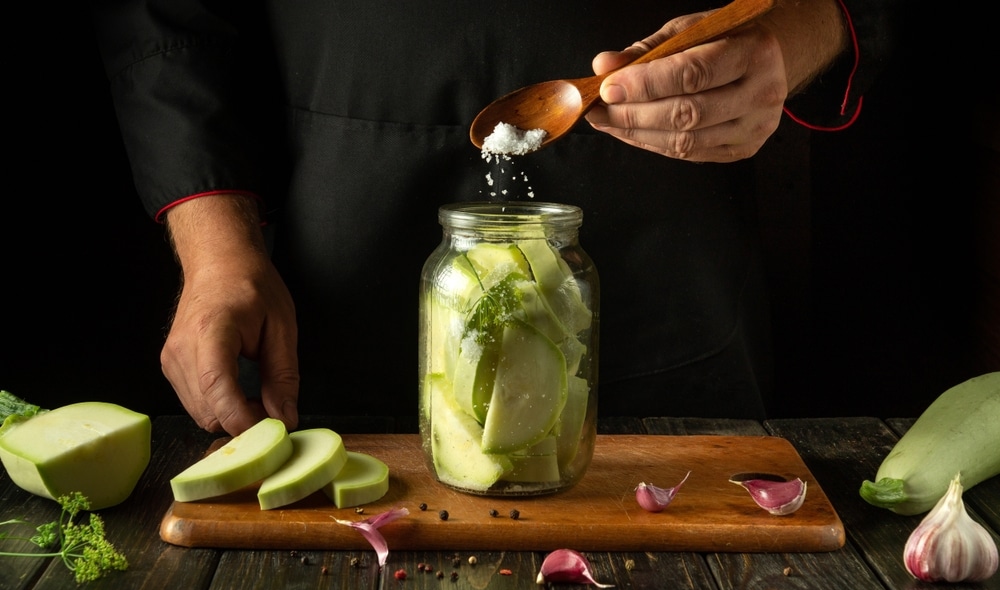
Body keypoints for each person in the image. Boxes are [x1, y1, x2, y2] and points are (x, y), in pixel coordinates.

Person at [91, 0, 898, 436]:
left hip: (668, 286)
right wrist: (216, 251)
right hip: (332, 300)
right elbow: (164, 15)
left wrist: (800, 27)